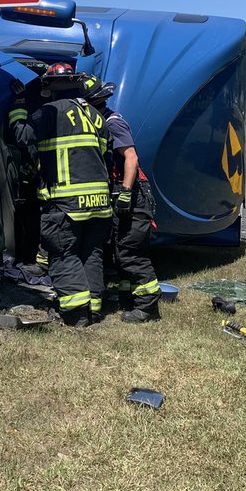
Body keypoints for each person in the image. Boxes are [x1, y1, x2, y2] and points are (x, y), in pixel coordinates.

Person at [9, 64, 112, 327]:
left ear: (50, 88)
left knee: (64, 254)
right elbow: (105, 156)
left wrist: (18, 104)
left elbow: (22, 135)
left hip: (66, 203)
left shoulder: (50, 112)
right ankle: (95, 310)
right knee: (92, 254)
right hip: (100, 203)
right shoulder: (95, 115)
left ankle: (76, 314)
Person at [83, 78, 161, 323]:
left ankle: (148, 308)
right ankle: (129, 299)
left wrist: (126, 192)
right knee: (119, 251)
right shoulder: (101, 123)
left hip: (132, 195)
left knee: (131, 252)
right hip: (119, 192)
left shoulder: (113, 123)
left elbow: (130, 157)